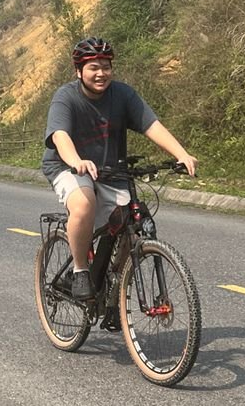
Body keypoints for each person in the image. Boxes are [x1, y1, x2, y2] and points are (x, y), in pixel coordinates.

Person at [42, 36, 197, 323]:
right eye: (93, 68)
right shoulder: (66, 97)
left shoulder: (123, 95)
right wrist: (76, 160)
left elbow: (151, 124)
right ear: (79, 71)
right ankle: (79, 271)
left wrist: (181, 154)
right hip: (68, 167)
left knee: (133, 222)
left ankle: (115, 290)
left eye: (106, 67)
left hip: (112, 170)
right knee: (84, 203)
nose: (101, 73)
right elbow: (60, 135)